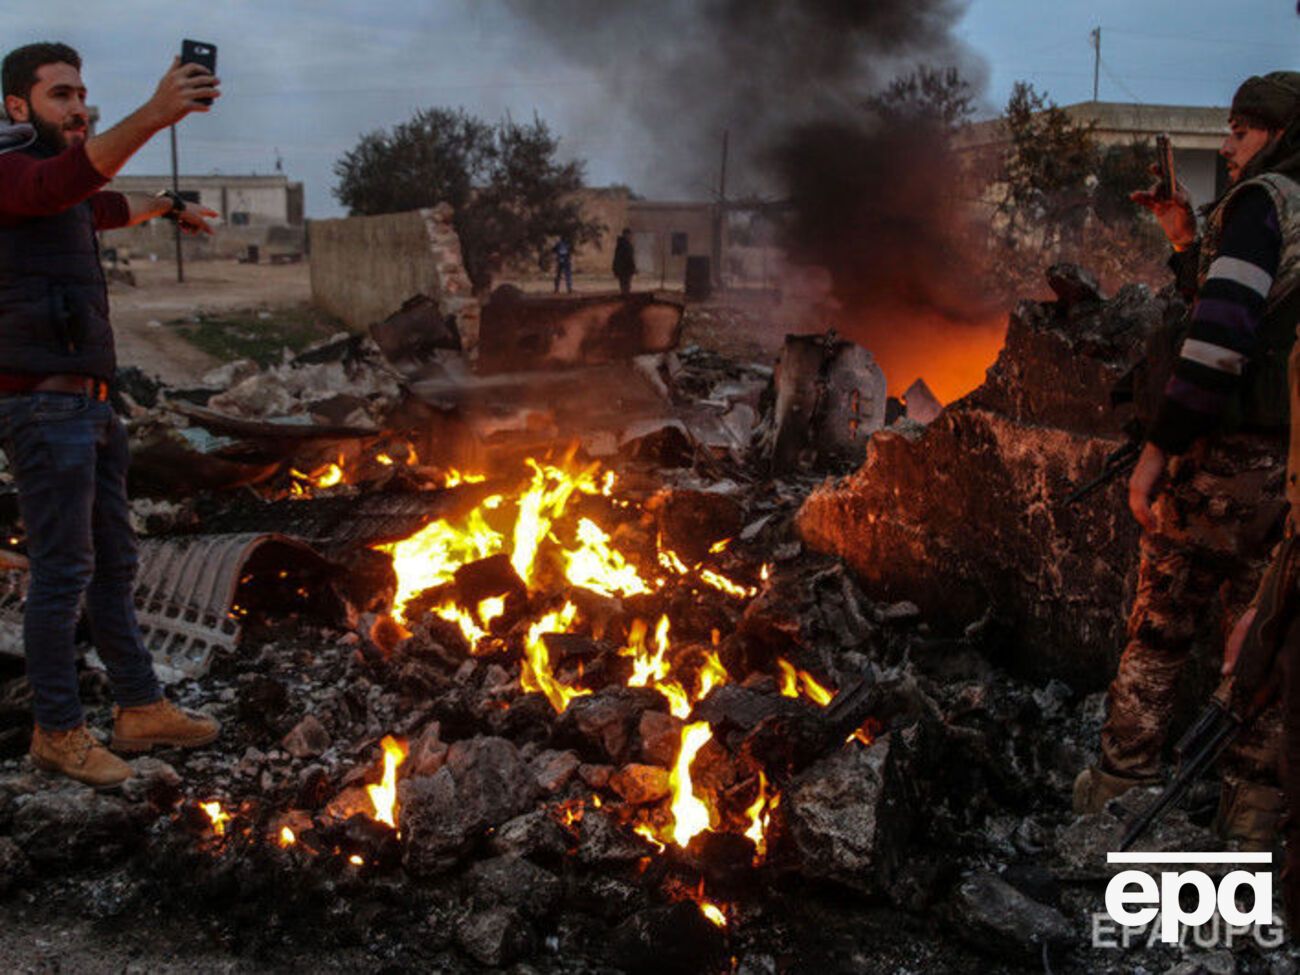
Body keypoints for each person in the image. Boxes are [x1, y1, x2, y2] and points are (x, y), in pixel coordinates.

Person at [1074, 73, 1300, 853]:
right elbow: (1252, 309)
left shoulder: (1264, 204)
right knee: (1263, 641)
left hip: (1230, 463)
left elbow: (1217, 342)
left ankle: (1116, 790)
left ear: (1275, 134)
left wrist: (1159, 449)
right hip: (1290, 476)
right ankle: (1249, 824)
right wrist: (1183, 243)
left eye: (1240, 132)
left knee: (1165, 622)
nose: (1227, 147)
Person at [0, 42, 224, 788]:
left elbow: (97, 203)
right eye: (60, 94)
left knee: (113, 565)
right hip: (41, 406)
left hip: (90, 406)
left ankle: (139, 708)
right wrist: (156, 115)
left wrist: (168, 208)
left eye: (83, 94)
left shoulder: (57, 191)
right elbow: (67, 181)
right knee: (63, 572)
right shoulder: (9, 171)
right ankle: (58, 732)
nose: (78, 106)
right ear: (16, 106)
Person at [613, 227, 636, 295]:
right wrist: (633, 268)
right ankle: (625, 301)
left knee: (624, 287)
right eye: (629, 235)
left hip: (624, 270)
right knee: (625, 287)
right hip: (625, 270)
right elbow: (628, 258)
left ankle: (624, 300)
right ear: (625, 235)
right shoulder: (625, 245)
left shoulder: (622, 244)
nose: (630, 236)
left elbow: (617, 258)